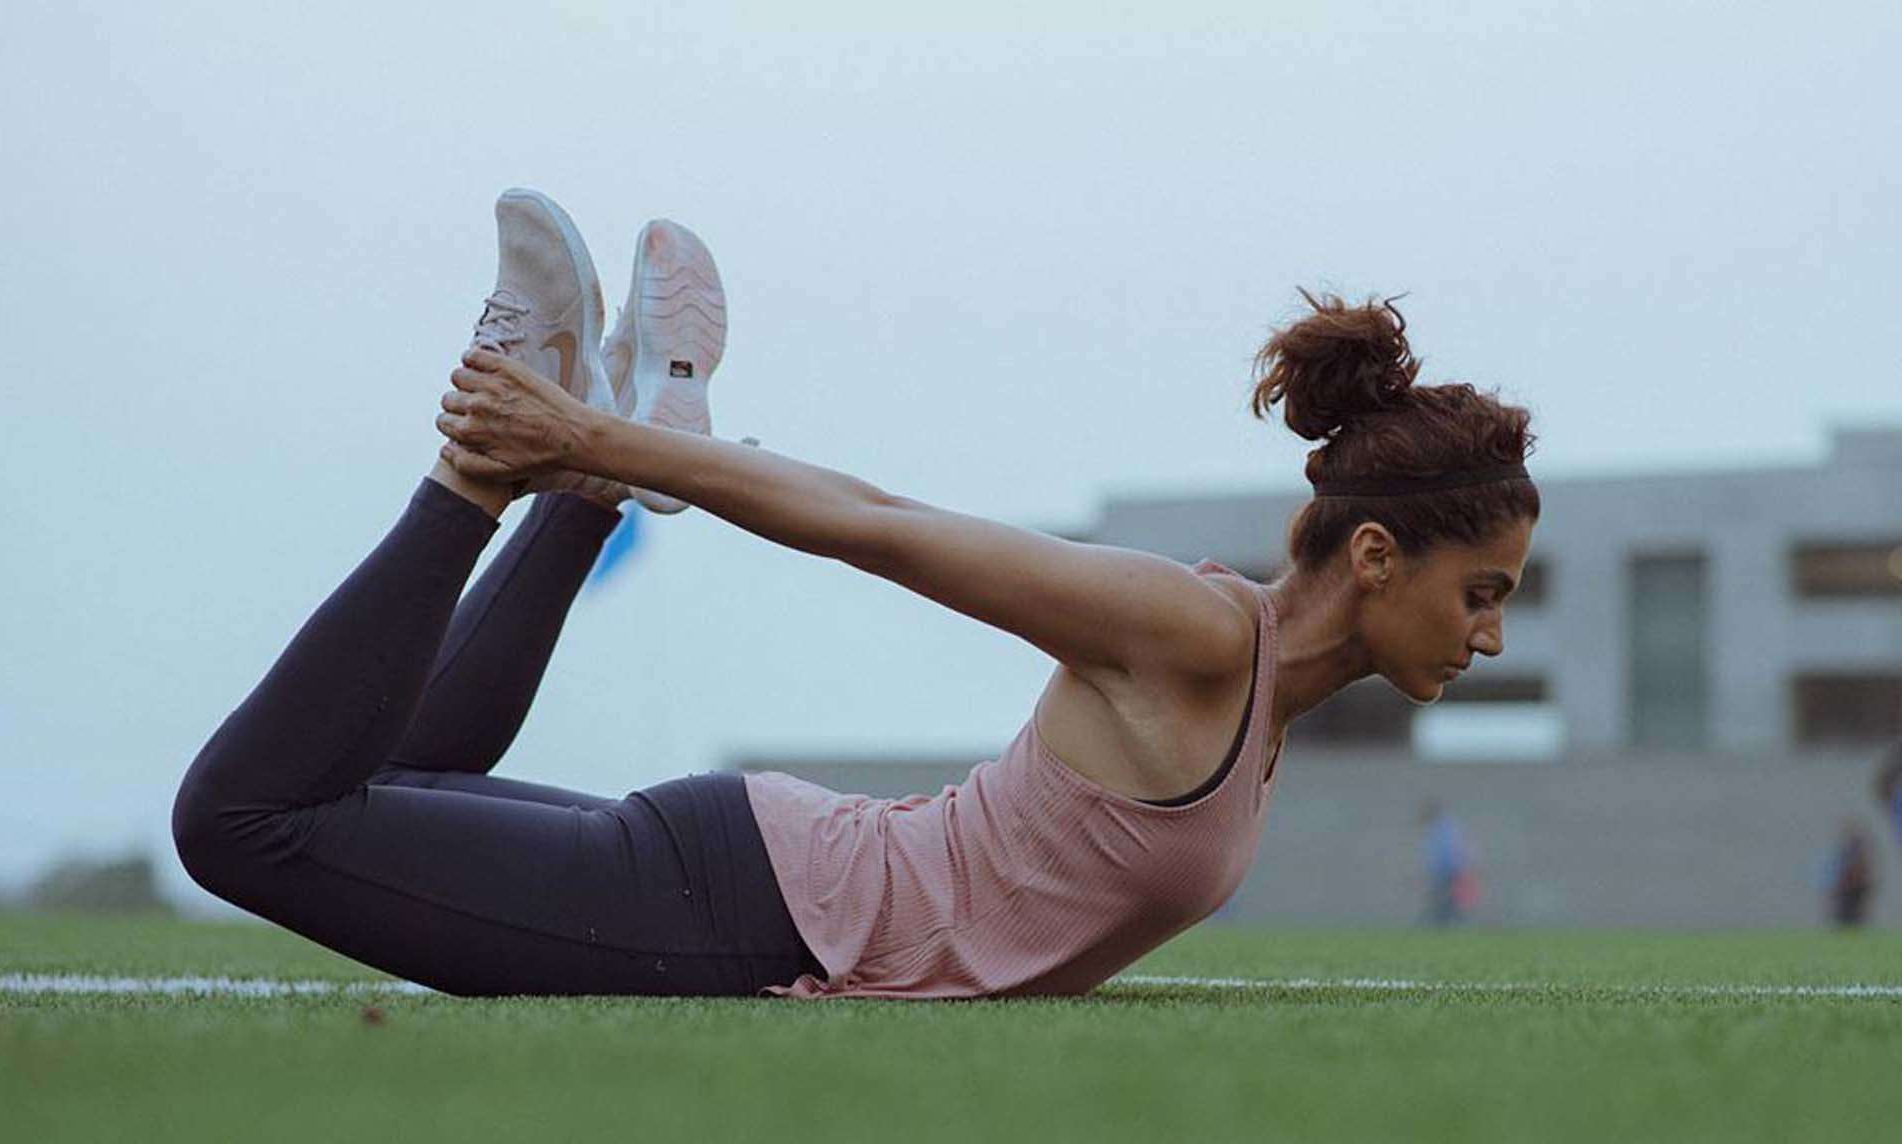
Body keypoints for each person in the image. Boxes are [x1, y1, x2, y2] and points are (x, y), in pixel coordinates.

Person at [171, 188, 1540, 999]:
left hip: (762, 885)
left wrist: (612, 455)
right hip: (731, 912)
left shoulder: (1269, 708)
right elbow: (881, 528)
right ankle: (492, 462)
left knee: (386, 770)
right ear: (1374, 560)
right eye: (1481, 591)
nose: (1490, 632)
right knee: (240, 821)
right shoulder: (1192, 634)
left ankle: (587, 467)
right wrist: (585, 442)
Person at [1417, 800, 1478, 926]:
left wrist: (1458, 870)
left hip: (1447, 873)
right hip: (1445, 873)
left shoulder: (1444, 829)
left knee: (1444, 902)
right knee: (1446, 903)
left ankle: (1446, 925)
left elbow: (1449, 853)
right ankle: (1449, 925)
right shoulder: (1441, 828)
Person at [1824, 820, 1875, 928]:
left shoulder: (1859, 857)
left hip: (1854, 895)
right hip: (1846, 896)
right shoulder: (1845, 855)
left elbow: (1865, 879)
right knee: (1844, 921)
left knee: (1853, 922)